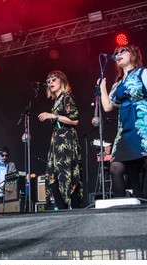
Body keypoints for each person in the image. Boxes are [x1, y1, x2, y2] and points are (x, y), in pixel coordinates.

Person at [98, 44, 147, 203]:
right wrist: (102, 88)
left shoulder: (142, 72)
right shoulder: (118, 83)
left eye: (123, 51)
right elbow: (108, 107)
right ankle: (122, 208)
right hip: (125, 128)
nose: (118, 54)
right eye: (116, 52)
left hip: (143, 121)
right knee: (116, 167)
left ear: (133, 55)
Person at [37, 70, 83, 209]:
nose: (50, 82)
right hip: (56, 141)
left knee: (67, 174)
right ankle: (62, 210)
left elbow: (75, 120)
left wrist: (54, 116)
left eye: (53, 79)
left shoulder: (66, 97)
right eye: (48, 80)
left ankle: (74, 209)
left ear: (62, 81)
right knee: (52, 176)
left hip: (66, 140)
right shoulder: (56, 101)